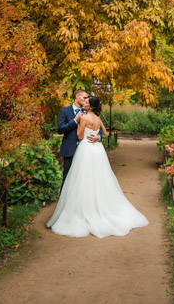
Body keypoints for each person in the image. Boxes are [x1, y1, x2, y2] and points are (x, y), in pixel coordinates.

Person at [47, 96, 149, 238]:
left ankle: (84, 209)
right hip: (97, 150)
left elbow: (80, 135)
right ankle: (99, 207)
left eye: (87, 102)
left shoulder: (83, 118)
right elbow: (105, 133)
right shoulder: (98, 118)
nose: (85, 103)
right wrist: (97, 136)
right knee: (98, 177)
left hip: (86, 149)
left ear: (92, 106)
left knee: (82, 177)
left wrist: (83, 128)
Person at [57, 89, 101, 186]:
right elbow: (60, 129)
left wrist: (98, 137)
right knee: (67, 177)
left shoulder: (88, 111)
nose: (86, 100)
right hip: (70, 149)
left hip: (86, 152)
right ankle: (64, 200)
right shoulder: (64, 111)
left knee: (85, 179)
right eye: (84, 98)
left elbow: (100, 130)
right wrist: (74, 121)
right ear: (77, 96)